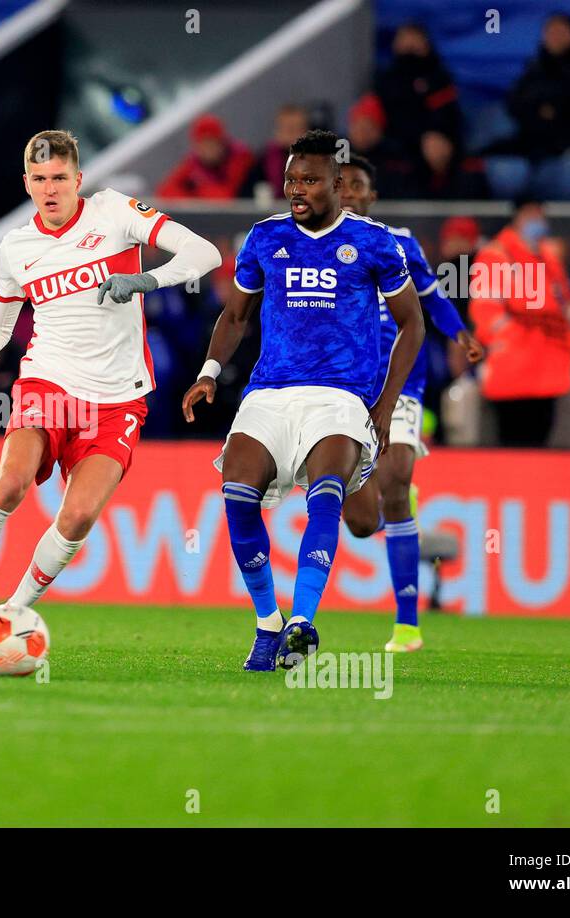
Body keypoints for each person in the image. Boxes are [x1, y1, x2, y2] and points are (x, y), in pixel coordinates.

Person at [0, 129, 221, 660]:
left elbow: (204, 252)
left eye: (60, 179)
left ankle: (7, 616)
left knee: (76, 519)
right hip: (48, 382)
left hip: (118, 397)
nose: (51, 190)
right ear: (26, 183)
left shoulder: (115, 212)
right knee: (8, 485)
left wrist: (146, 282)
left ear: (79, 179)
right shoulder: (17, 247)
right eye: (40, 180)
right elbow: (0, 328)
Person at [181, 129, 424, 672]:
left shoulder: (374, 242)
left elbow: (413, 324)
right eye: (291, 179)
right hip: (270, 391)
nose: (297, 189)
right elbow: (237, 315)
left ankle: (303, 620)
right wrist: (210, 372)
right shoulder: (265, 239)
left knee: (327, 496)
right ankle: (268, 622)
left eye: (310, 180)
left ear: (338, 185)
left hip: (341, 397)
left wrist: (384, 406)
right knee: (237, 494)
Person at [336, 155, 484, 653]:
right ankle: (381, 504)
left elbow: (433, 298)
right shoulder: (314, 244)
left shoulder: (400, 242)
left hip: (400, 384)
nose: (351, 193)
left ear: (371, 196)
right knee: (360, 524)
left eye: (359, 186)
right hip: (344, 385)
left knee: (397, 478)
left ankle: (406, 627)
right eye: (343, 186)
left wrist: (460, 334)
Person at [468, 195, 570, 446]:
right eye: (529, 213)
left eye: (539, 213)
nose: (535, 219)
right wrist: (515, 338)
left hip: (548, 370)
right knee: (513, 450)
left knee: (540, 448)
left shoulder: (547, 255)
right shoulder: (497, 254)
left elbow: (564, 303)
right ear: (516, 217)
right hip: (513, 372)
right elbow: (486, 311)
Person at [505, 12, 570, 159]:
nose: (554, 37)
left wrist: (540, 104)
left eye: (560, 31)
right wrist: (538, 106)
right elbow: (514, 101)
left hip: (569, 146)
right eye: (550, 32)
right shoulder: (536, 65)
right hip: (531, 139)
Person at [373, 22, 462, 153]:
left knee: (433, 143)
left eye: (414, 40)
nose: (409, 44)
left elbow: (446, 116)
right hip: (392, 138)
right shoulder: (386, 78)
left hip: (431, 139)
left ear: (426, 43)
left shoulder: (438, 78)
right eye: (404, 39)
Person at [156, 114, 253, 200]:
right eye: (202, 144)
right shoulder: (193, 162)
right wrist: (193, 199)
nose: (207, 149)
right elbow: (165, 191)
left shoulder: (239, 157)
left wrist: (198, 190)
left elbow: (226, 197)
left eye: (211, 142)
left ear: (221, 141)